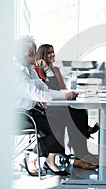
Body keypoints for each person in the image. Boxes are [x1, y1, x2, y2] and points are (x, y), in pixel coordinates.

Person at [13, 36, 75, 176]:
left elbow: (45, 90)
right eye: (33, 52)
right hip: (19, 116)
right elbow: (37, 94)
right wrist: (64, 95)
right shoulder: (15, 74)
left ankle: (41, 158)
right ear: (25, 54)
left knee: (64, 118)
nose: (36, 55)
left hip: (32, 111)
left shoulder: (30, 70)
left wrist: (65, 93)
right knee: (58, 122)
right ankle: (34, 159)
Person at [33, 44, 98, 169]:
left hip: (57, 104)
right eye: (49, 53)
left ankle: (82, 153)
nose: (52, 55)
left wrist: (72, 93)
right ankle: (81, 153)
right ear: (42, 55)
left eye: (53, 52)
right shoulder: (35, 70)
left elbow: (61, 89)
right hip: (46, 108)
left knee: (78, 110)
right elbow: (45, 92)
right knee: (75, 114)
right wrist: (46, 68)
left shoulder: (55, 70)